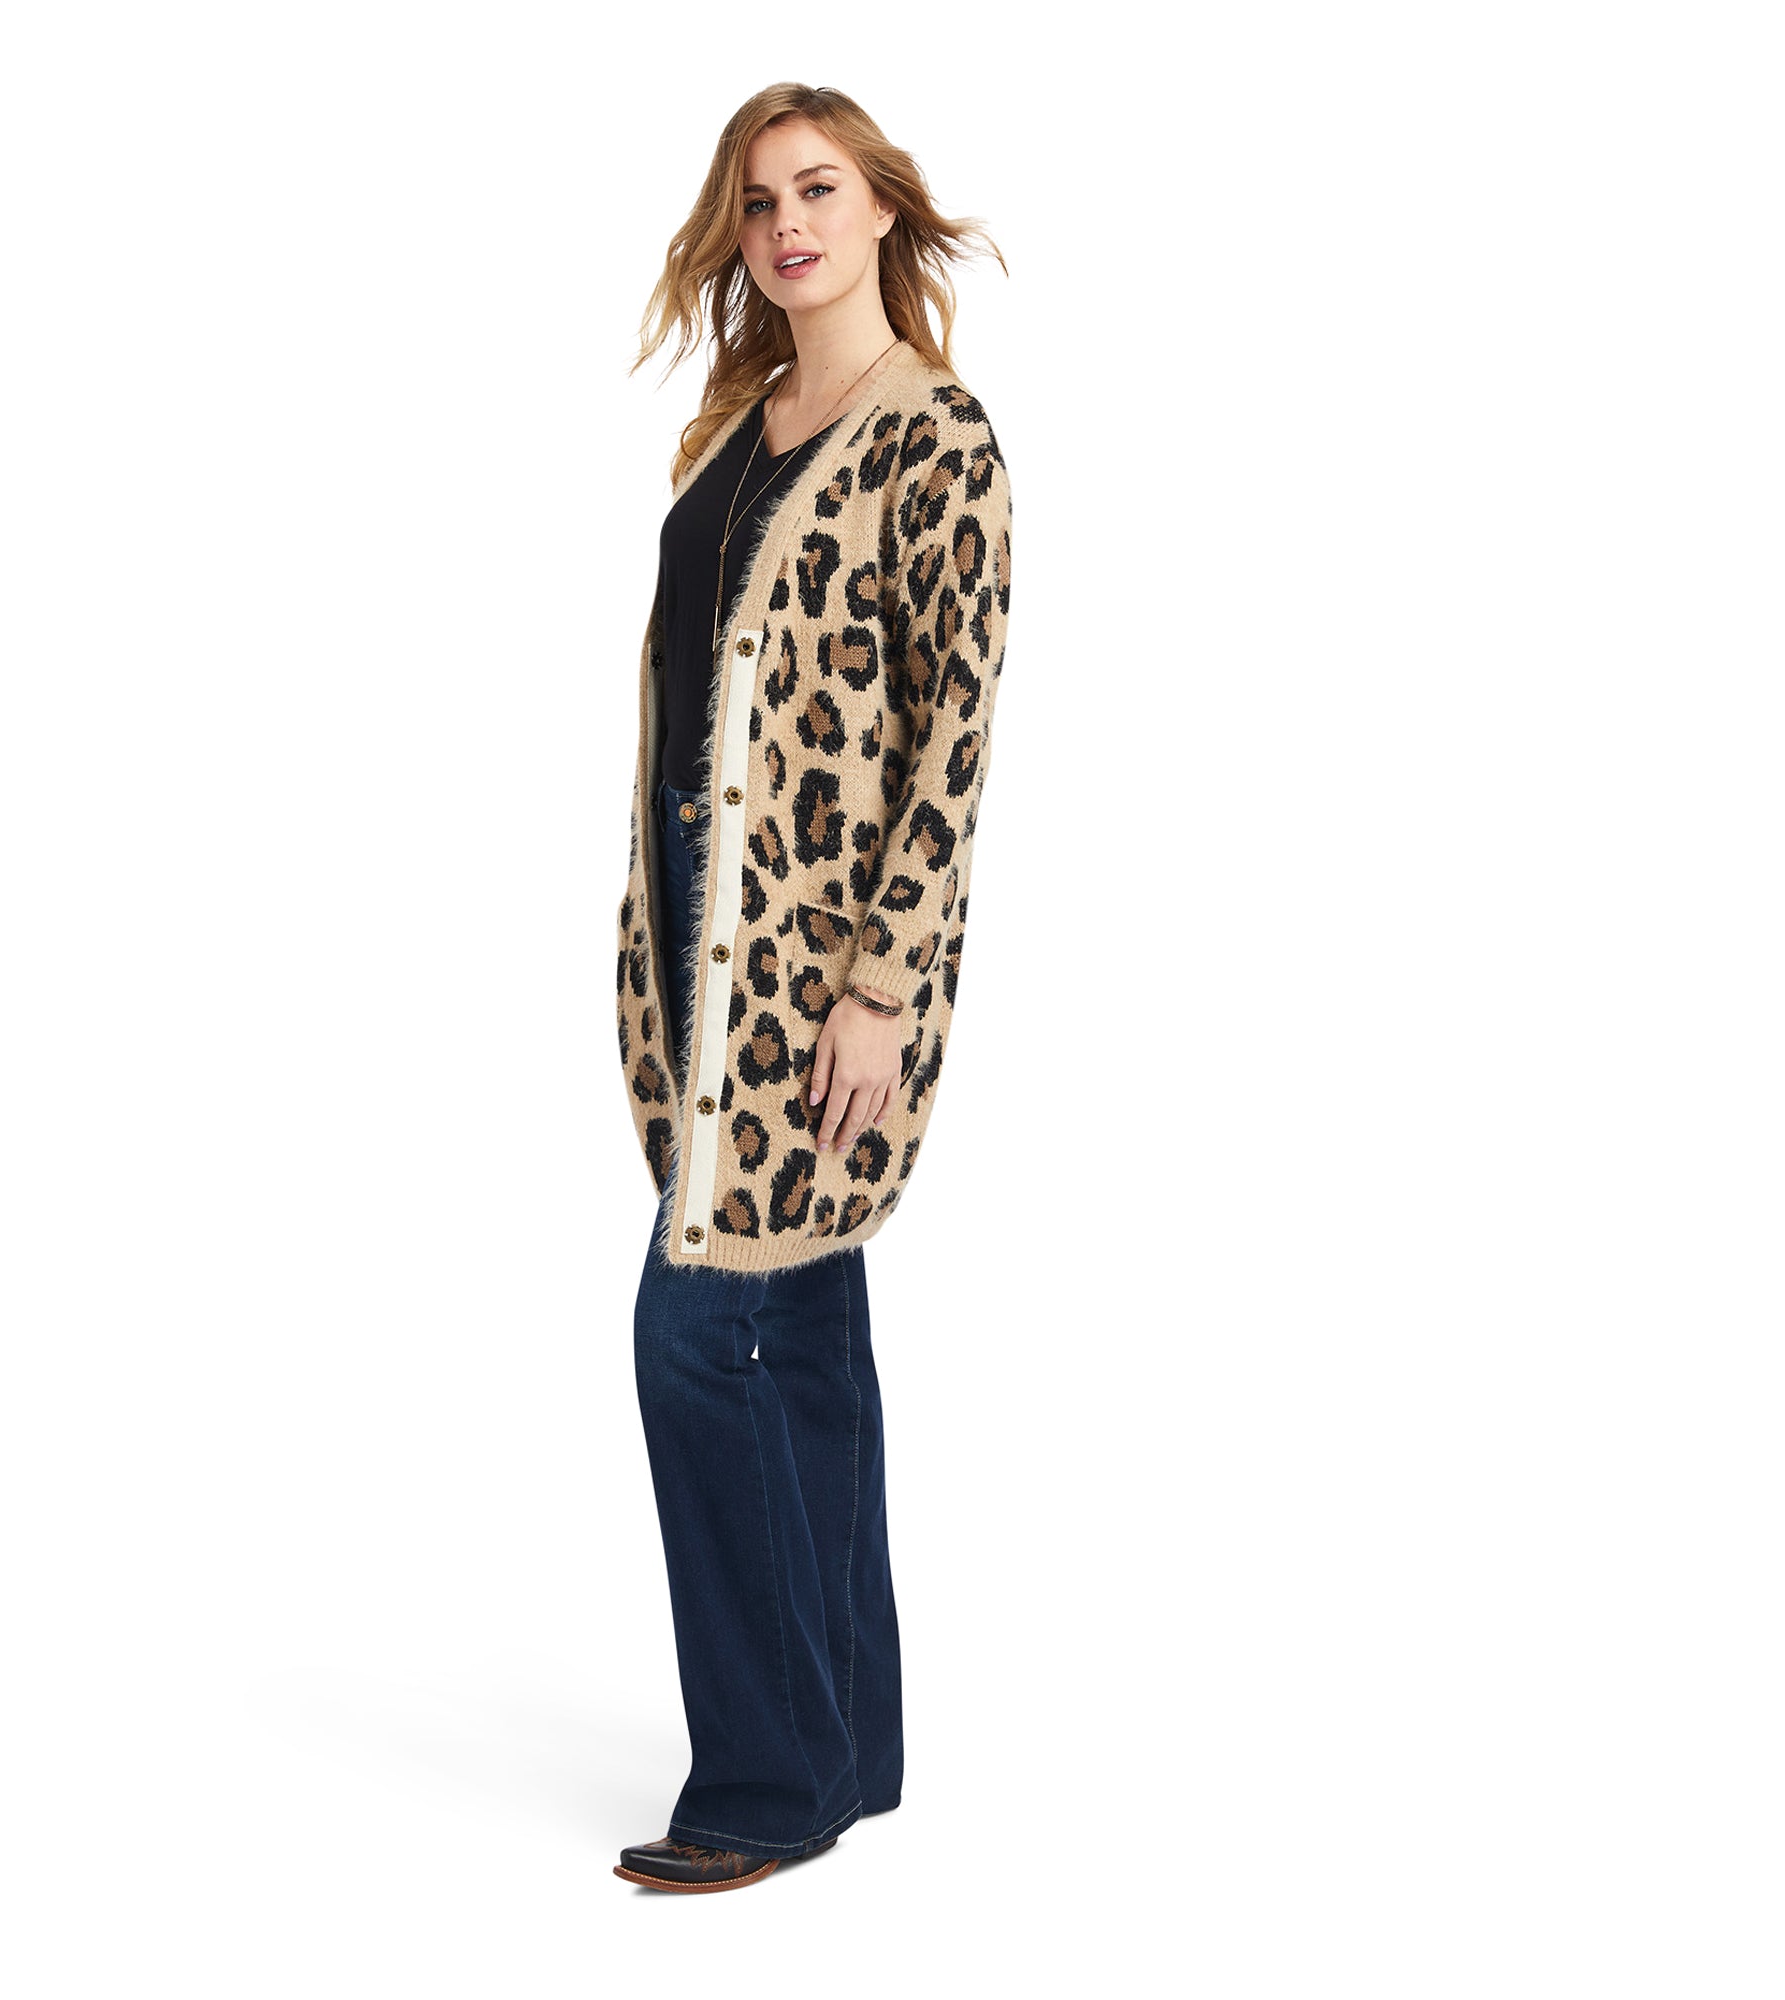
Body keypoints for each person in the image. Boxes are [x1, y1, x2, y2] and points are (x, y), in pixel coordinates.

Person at [609, 82, 1014, 1894]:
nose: (787, 224)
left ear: (882, 210)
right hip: (699, 936)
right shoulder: (742, 426)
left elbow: (951, 737)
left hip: (816, 970)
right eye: (761, 199)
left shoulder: (938, 441)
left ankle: (768, 1785)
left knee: (701, 1338)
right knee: (808, 1336)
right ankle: (849, 1749)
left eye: (820, 189)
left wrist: (883, 985)